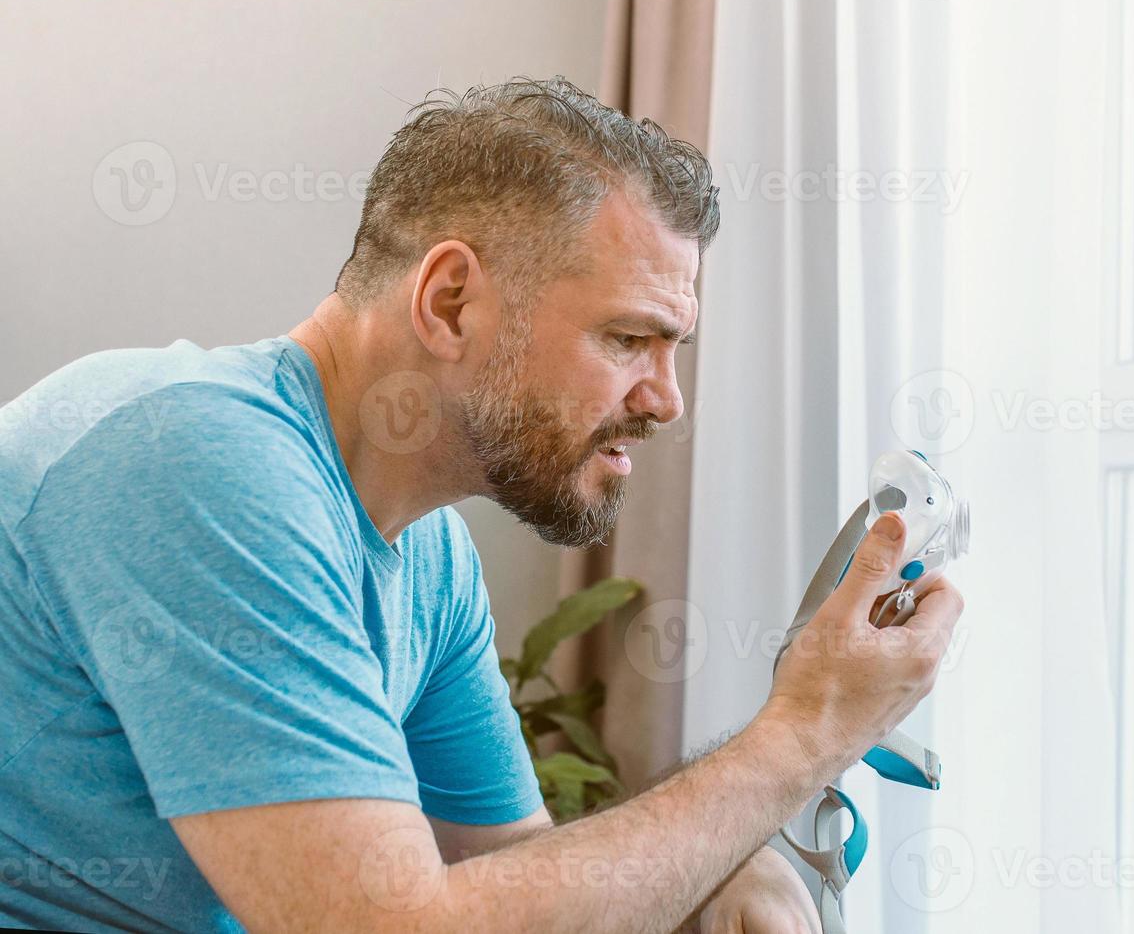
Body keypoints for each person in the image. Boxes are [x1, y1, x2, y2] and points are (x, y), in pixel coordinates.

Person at [0, 77, 963, 933]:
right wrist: (801, 735)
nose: (665, 400)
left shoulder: (428, 556)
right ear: (452, 301)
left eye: (675, 351)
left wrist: (725, 861)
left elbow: (507, 877)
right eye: (630, 339)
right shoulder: (196, 459)